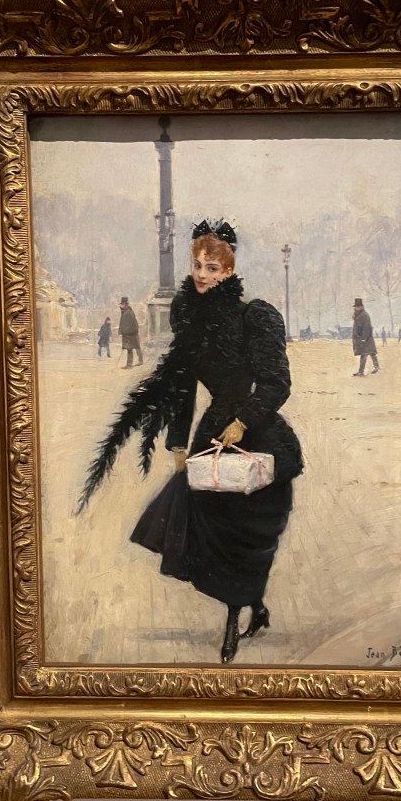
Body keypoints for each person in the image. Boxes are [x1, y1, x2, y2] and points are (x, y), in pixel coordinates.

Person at [78, 218, 303, 665]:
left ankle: (237, 619)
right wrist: (179, 444)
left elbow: (277, 383)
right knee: (210, 530)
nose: (202, 274)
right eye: (198, 264)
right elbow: (182, 386)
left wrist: (243, 421)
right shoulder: (190, 316)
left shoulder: (254, 316)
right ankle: (252, 608)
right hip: (212, 436)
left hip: (258, 435)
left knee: (247, 534)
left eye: (212, 268)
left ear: (229, 271)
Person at [352, 298, 379, 375]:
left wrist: (364, 338)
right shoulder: (358, 315)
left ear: (361, 307)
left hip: (366, 338)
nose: (355, 308)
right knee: (371, 353)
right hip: (362, 338)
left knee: (365, 354)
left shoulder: (364, 315)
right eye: (355, 307)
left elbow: (367, 327)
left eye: (357, 307)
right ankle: (376, 366)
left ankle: (361, 371)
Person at [118, 296, 143, 368]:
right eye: (120, 304)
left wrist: (125, 332)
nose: (120, 306)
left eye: (122, 304)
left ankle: (134, 363)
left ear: (125, 304)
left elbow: (130, 324)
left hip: (131, 334)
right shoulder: (125, 311)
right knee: (132, 348)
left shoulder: (128, 312)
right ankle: (133, 363)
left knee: (133, 347)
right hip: (129, 333)